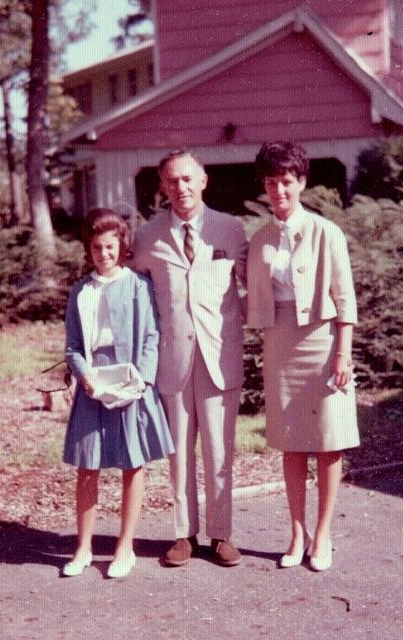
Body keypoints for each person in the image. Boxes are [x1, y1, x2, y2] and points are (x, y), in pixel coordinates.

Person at [247, 141, 360, 571]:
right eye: (272, 182)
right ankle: (297, 533)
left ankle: (324, 532)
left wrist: (343, 355)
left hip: (324, 342)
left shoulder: (326, 232)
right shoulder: (259, 239)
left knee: (329, 441)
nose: (280, 190)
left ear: (302, 183)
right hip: (280, 343)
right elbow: (248, 293)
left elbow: (345, 299)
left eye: (287, 182)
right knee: (291, 444)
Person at [133, 150, 248, 567]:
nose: (180, 187)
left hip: (220, 356)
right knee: (179, 450)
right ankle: (184, 534)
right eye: (171, 181)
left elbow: (254, 287)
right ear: (162, 187)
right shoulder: (146, 237)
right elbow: (135, 298)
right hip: (173, 359)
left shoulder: (231, 229)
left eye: (187, 179)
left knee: (220, 449)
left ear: (203, 181)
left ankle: (221, 535)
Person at [62, 208, 174, 579]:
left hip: (131, 382)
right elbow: (74, 346)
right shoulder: (81, 291)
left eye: (110, 246)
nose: (104, 253)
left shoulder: (138, 285)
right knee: (87, 466)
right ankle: (83, 548)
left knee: (132, 462)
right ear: (89, 249)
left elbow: (151, 337)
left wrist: (143, 378)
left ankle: (124, 547)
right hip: (95, 382)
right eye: (97, 247)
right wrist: (84, 376)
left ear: (121, 246)